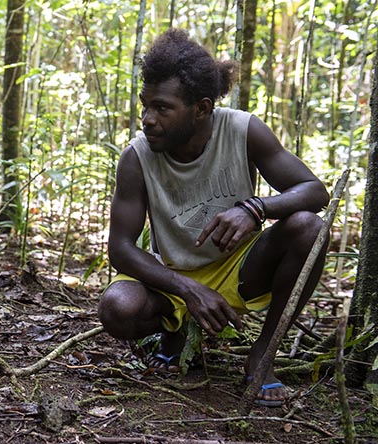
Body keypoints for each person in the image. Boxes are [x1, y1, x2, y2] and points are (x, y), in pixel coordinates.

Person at [98, 29, 329, 407]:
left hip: (238, 267)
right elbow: (120, 250)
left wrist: (255, 208)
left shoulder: (242, 129)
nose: (147, 119)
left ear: (202, 108)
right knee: (116, 308)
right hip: (173, 274)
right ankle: (174, 330)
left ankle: (263, 353)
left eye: (162, 108)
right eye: (145, 105)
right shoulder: (136, 158)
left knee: (309, 228)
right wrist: (187, 290)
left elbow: (314, 192)